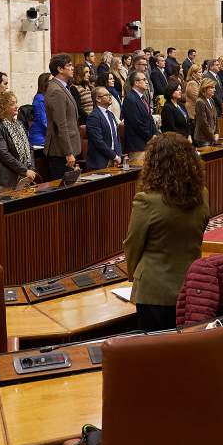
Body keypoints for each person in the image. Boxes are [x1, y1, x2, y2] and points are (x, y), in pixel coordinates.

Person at [123, 133, 210, 331]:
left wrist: (134, 276)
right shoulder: (202, 195)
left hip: (154, 292)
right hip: (191, 286)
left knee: (156, 355)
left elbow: (133, 246)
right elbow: (201, 230)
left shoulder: (146, 201)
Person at [0, 91, 38, 191]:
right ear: (2, 107)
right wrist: (24, 170)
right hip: (5, 180)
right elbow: (4, 154)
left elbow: (29, 148)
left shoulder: (19, 124)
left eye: (16, 102)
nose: (16, 106)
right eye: (12, 104)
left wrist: (31, 168)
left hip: (24, 177)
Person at [44, 54, 81, 180]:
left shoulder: (62, 87)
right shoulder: (56, 90)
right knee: (63, 191)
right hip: (60, 152)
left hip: (65, 149)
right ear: (60, 69)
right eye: (69, 65)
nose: (72, 68)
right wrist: (68, 152)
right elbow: (61, 124)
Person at [123, 71, 159, 161]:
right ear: (136, 83)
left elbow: (149, 118)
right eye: (144, 79)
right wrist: (151, 136)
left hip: (148, 143)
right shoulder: (130, 99)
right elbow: (136, 123)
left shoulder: (142, 97)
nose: (147, 82)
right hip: (138, 146)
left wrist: (155, 134)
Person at [85, 87, 123, 170]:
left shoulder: (110, 114)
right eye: (107, 95)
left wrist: (118, 155)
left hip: (115, 160)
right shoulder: (93, 117)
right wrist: (114, 156)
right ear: (98, 99)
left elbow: (116, 137)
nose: (110, 97)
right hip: (101, 162)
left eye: (110, 95)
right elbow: (98, 142)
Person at [194, 79, 220, 147]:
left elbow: (216, 118)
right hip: (203, 138)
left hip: (211, 137)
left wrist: (217, 132)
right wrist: (212, 136)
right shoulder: (200, 102)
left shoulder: (211, 100)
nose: (214, 90)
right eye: (212, 88)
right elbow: (203, 123)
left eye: (214, 87)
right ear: (204, 88)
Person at [29, 73, 50, 147]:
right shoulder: (39, 99)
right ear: (45, 83)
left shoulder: (47, 97)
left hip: (46, 136)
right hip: (39, 138)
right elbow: (44, 121)